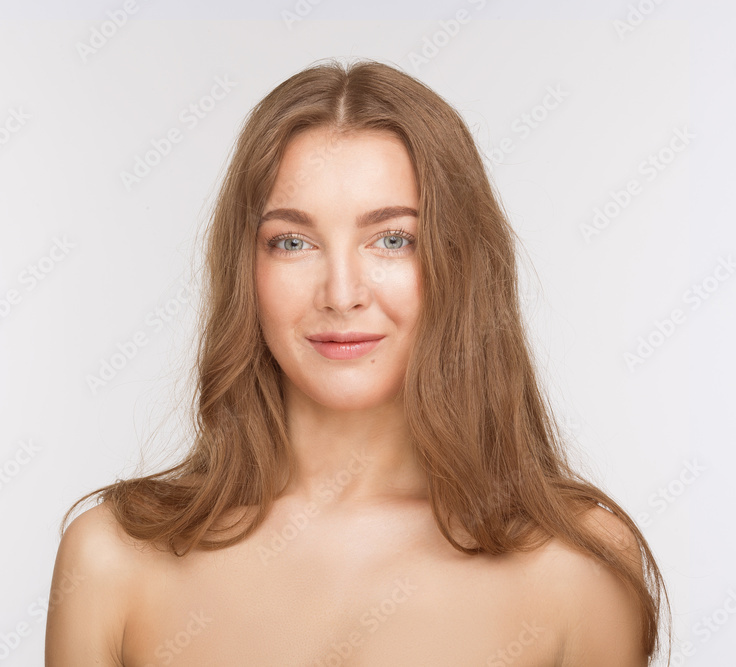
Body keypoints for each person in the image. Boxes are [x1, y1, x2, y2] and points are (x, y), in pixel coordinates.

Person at [44, 58, 671, 666]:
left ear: (459, 263)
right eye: (293, 242)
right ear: (246, 270)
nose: (341, 293)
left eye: (392, 239)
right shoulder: (110, 559)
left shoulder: (579, 565)